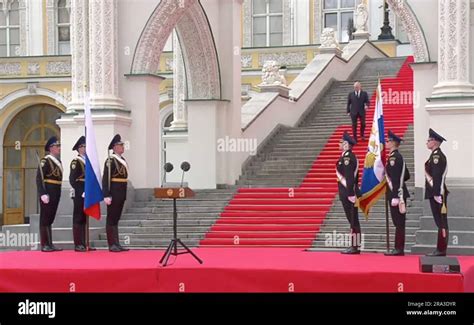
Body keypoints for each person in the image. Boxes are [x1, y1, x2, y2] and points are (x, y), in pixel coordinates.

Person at [384, 130, 410, 256]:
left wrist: (395, 195)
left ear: (394, 143)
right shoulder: (395, 156)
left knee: (399, 222)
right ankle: (398, 248)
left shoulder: (394, 158)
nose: (386, 143)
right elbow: (406, 175)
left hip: (397, 195)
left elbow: (395, 178)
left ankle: (399, 248)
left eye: (388, 141)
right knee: (398, 222)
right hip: (398, 192)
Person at [102, 134, 129, 252]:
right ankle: (111, 243)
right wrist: (106, 194)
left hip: (121, 191)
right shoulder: (110, 160)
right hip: (114, 191)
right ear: (114, 147)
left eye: (122, 145)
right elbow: (106, 178)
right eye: (120, 145)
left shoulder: (121, 160)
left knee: (116, 219)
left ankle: (116, 243)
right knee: (111, 218)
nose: (122, 147)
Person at [336, 132, 361, 254]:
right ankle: (354, 245)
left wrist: (351, 193)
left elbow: (350, 177)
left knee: (353, 220)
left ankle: (355, 246)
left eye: (341, 142)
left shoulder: (348, 158)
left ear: (346, 144)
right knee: (352, 220)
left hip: (349, 193)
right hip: (346, 192)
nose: (339, 144)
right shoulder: (345, 157)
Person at [425, 128, 449, 256]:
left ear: (434, 142)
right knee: (440, 222)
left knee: (441, 222)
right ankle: (440, 248)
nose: (427, 142)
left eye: (428, 140)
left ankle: (441, 249)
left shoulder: (437, 156)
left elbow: (437, 176)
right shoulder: (434, 155)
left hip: (438, 193)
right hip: (437, 192)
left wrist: (436, 193)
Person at [36, 136, 63, 252]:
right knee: (45, 218)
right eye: (57, 146)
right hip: (48, 191)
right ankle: (44, 244)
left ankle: (50, 243)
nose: (59, 148)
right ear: (51, 148)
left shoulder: (58, 161)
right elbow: (39, 178)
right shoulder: (45, 161)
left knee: (50, 218)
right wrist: (43, 193)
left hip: (56, 190)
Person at [69, 136, 96, 252]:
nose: (85, 148)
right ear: (79, 149)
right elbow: (73, 179)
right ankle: (78, 244)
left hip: (87, 192)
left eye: (86, 146)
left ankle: (85, 243)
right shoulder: (76, 162)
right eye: (83, 146)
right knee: (78, 218)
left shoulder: (87, 161)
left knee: (85, 218)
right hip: (80, 193)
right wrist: (81, 191)